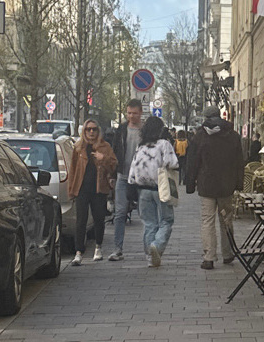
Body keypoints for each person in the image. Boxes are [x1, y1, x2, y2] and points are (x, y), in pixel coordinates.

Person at [185, 106, 247, 270]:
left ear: (206, 118)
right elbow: (239, 162)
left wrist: (190, 183)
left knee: (207, 220)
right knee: (226, 219)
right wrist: (239, 183)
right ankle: (228, 253)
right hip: (226, 185)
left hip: (206, 185)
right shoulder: (232, 136)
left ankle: (209, 257)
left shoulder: (200, 136)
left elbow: (193, 162)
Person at [128, 114, 180, 268]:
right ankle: (157, 245)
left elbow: (133, 169)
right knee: (166, 220)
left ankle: (150, 258)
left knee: (149, 224)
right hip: (161, 188)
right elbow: (172, 163)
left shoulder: (141, 146)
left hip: (143, 190)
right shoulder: (164, 144)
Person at [67, 119, 117, 263]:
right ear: (84, 131)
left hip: (99, 188)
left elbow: (114, 166)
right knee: (80, 221)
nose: (91, 132)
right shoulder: (78, 147)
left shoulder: (105, 147)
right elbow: (73, 169)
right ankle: (78, 252)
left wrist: (103, 158)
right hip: (82, 189)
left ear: (98, 131)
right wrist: (71, 190)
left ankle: (98, 247)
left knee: (98, 219)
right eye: (88, 129)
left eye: (94, 129)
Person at [105, 98, 144, 262]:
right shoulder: (121, 129)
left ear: (140, 113)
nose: (131, 116)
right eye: (128, 113)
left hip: (142, 178)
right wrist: (112, 175)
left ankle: (149, 248)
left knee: (145, 214)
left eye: (134, 113)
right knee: (120, 213)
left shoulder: (146, 130)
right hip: (123, 175)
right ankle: (117, 249)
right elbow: (115, 153)